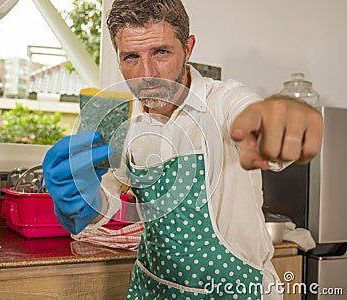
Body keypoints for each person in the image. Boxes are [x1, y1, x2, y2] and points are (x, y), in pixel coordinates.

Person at [42, 0, 323, 299]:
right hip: (151, 289)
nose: (146, 73)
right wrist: (79, 202)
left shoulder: (223, 101)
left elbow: (252, 115)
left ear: (188, 48)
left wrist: (275, 120)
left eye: (160, 52)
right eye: (131, 57)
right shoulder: (123, 122)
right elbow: (108, 205)